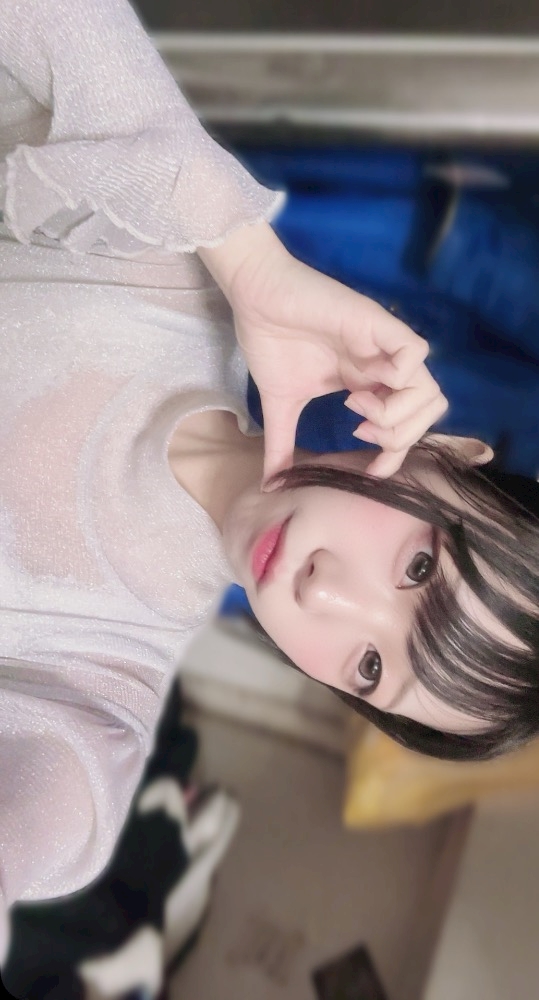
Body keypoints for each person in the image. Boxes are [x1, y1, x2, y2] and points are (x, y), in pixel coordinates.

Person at [0, 0, 537, 972]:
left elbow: (48, 806)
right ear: (450, 452)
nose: (324, 595)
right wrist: (245, 257)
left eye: (369, 668)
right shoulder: (168, 259)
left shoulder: (107, 672)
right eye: (419, 567)